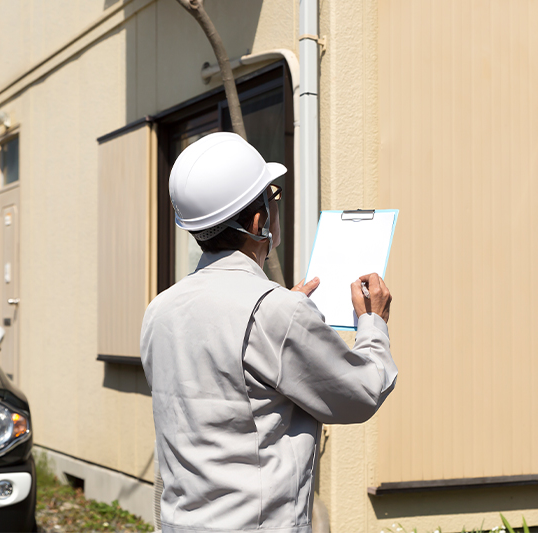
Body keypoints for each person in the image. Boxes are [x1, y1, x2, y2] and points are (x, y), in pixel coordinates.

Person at [140, 132, 397, 533]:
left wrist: (282, 312)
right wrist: (373, 322)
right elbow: (361, 394)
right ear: (259, 220)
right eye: (272, 197)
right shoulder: (274, 312)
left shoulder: (161, 309)